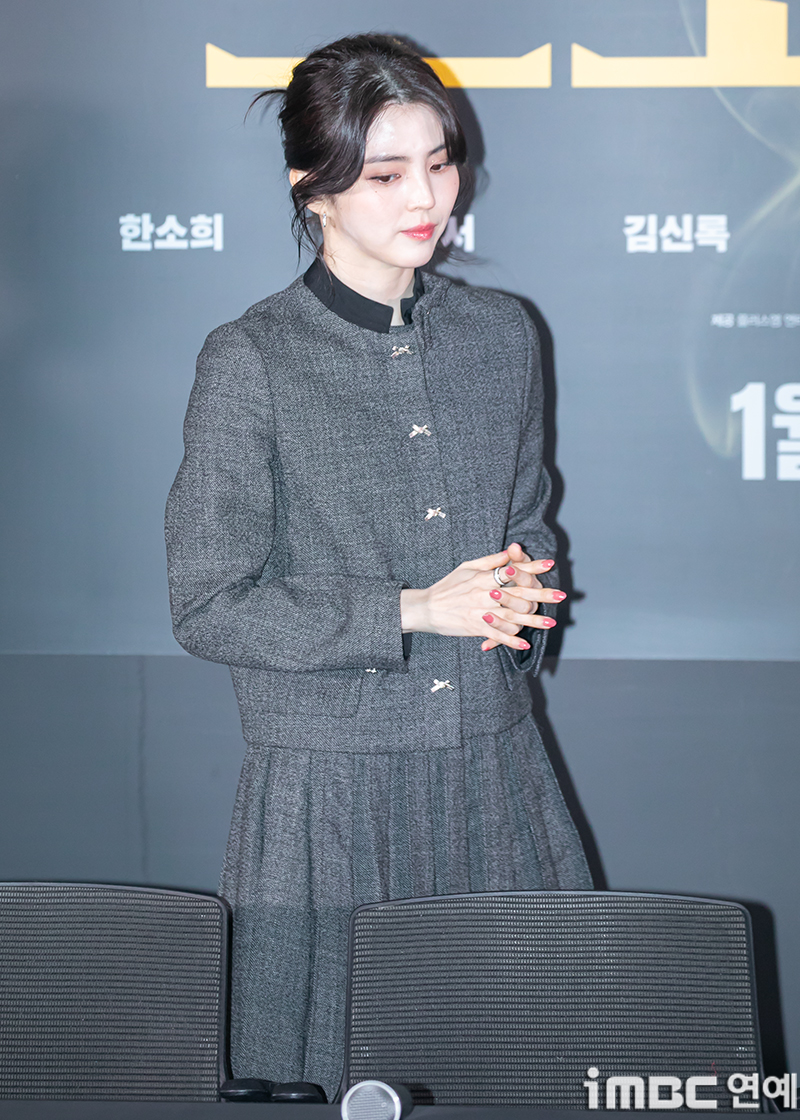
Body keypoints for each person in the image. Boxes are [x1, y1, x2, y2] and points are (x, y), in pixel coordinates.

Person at [164, 32, 592, 1104]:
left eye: (439, 163)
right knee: (330, 1077)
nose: (428, 197)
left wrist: (521, 594)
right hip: (328, 796)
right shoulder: (251, 357)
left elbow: (529, 523)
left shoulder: (503, 334)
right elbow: (209, 604)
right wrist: (410, 609)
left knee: (524, 1067)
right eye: (387, 174)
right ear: (311, 188)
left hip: (494, 771)